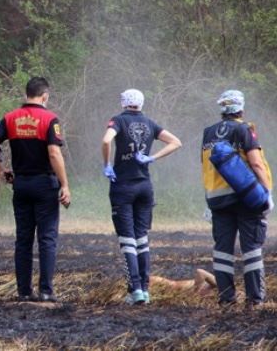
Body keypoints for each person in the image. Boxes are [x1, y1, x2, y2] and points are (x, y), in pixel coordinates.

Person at [0, 77, 70, 302]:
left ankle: (23, 291)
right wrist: (65, 184)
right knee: (47, 238)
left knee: (23, 239)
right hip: (44, 184)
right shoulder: (50, 119)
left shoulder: (10, 118)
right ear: (45, 96)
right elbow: (54, 153)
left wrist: (1, 169)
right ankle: (45, 291)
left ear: (26, 94)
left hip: (21, 185)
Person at [101, 89, 182, 305]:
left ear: (123, 102)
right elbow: (176, 142)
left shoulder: (118, 121)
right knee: (142, 239)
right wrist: (151, 158)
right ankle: (145, 290)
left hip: (123, 187)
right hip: (145, 186)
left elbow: (107, 141)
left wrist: (107, 164)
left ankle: (134, 290)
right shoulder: (150, 123)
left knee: (127, 240)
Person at [201, 90, 273, 308]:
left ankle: (226, 299)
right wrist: (267, 193)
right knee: (251, 249)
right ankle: (255, 300)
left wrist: (208, 198)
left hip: (217, 200)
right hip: (247, 198)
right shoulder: (244, 130)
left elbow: (205, 167)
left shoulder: (208, 133)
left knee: (222, 250)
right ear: (241, 108)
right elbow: (257, 163)